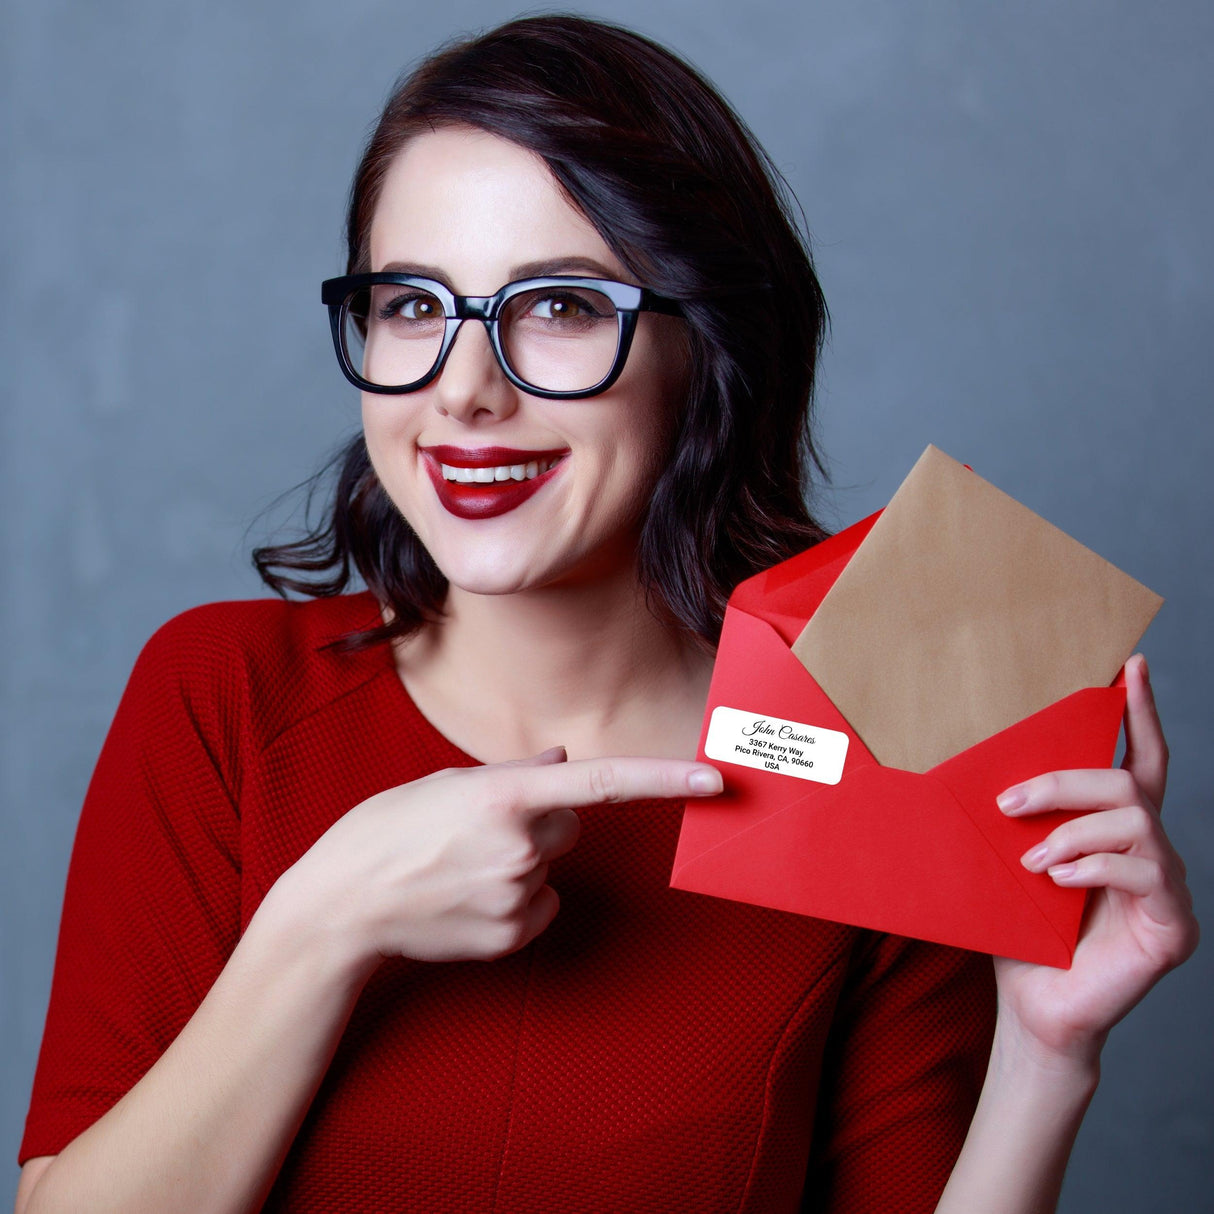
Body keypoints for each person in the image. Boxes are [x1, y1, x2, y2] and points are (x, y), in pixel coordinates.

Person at [13, 14, 1197, 1214]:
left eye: (564, 307)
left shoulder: (881, 744)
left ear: (706, 348)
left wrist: (1047, 1053)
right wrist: (323, 922)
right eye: (413, 307)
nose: (465, 391)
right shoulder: (223, 694)